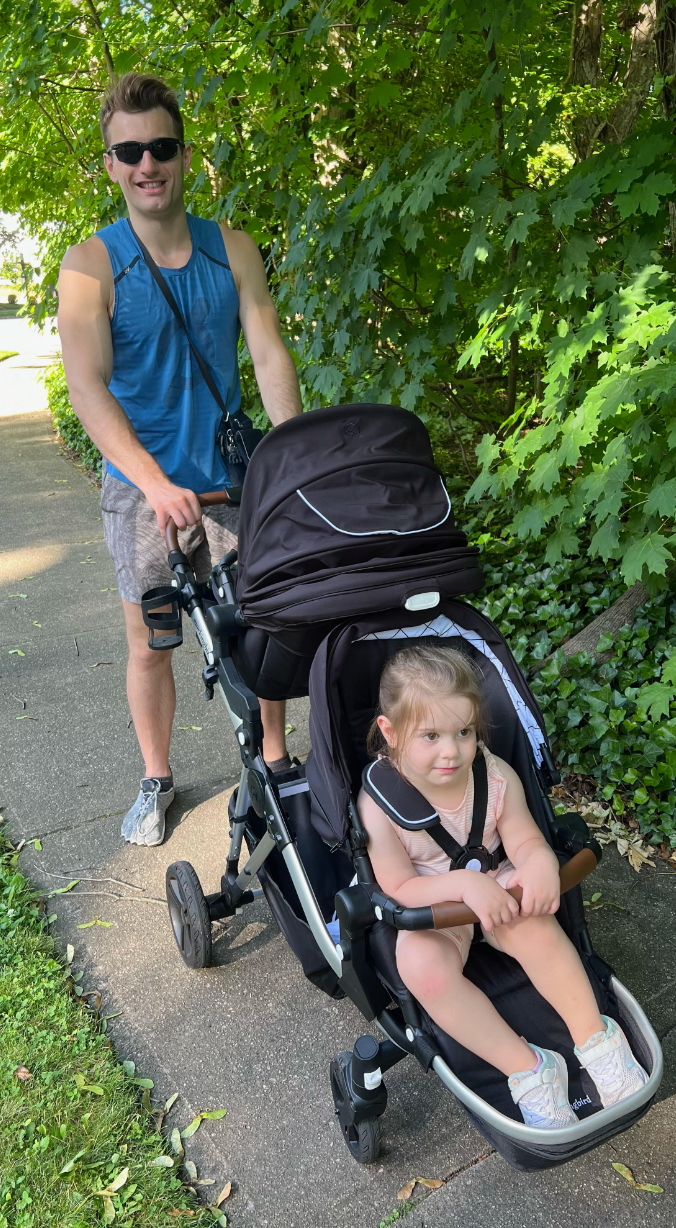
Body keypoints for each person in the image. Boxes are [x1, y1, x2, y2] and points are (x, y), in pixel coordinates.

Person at [58, 73, 302, 847]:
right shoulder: (89, 266)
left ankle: (275, 758)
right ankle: (156, 778)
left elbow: (266, 350)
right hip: (143, 492)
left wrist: (292, 455)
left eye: (160, 147)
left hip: (233, 481)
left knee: (266, 622)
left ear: (184, 155)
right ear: (109, 164)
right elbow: (88, 390)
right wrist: (157, 484)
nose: (146, 164)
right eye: (128, 152)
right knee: (150, 642)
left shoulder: (231, 249)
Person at [358, 645, 647, 1129]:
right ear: (390, 732)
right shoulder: (380, 806)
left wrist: (537, 865)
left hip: (499, 881)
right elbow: (399, 886)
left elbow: (526, 840)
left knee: (536, 926)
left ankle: (596, 1039)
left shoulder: (492, 776)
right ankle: (527, 1068)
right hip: (438, 902)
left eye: (464, 732)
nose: (451, 750)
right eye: (430, 735)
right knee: (421, 967)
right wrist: (463, 886)